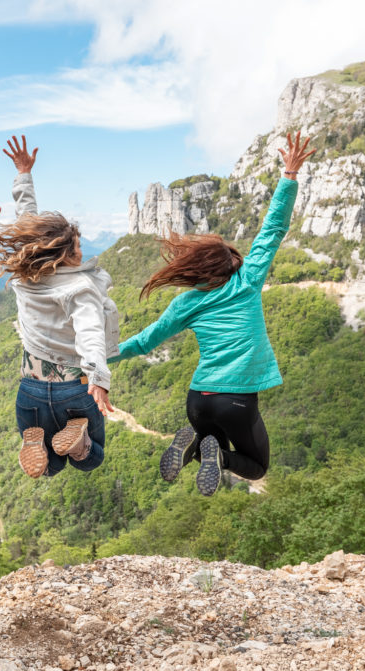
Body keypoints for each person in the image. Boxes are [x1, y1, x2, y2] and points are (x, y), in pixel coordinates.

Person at [109, 132, 314, 496]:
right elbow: (272, 230)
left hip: (198, 400)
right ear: (231, 264)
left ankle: (194, 445)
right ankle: (210, 452)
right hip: (235, 400)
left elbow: (143, 342)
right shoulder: (247, 281)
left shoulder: (186, 303)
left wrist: (100, 358)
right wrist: (289, 176)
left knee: (211, 446)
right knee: (256, 466)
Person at [0, 135, 120, 479]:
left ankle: (36, 445)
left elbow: (25, 224)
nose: (82, 251)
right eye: (77, 247)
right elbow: (90, 330)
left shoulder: (25, 278)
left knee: (48, 468)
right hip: (73, 389)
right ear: (67, 255)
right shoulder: (81, 287)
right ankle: (78, 444)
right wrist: (99, 376)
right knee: (91, 459)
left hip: (30, 388)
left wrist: (23, 176)